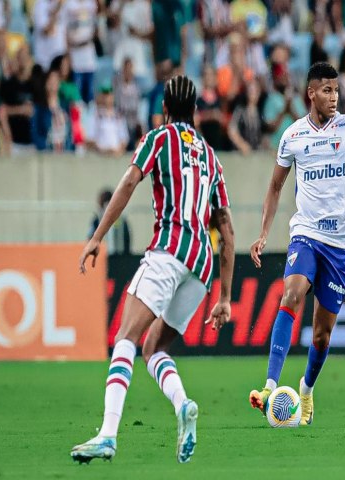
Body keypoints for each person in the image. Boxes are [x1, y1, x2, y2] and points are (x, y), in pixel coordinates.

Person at [71, 75, 235, 463]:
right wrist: (225, 297)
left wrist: (98, 236)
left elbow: (129, 182)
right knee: (152, 347)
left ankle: (108, 434)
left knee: (125, 338)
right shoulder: (212, 157)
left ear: (163, 108)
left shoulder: (158, 139)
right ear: (195, 111)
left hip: (168, 250)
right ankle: (183, 406)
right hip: (202, 265)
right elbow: (225, 228)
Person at [248, 62, 345, 426]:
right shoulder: (292, 136)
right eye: (326, 90)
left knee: (321, 335)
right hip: (305, 233)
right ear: (311, 93)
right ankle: (270, 386)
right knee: (291, 294)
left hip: (338, 244)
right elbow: (274, 188)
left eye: (336, 90)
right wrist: (263, 234)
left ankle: (305, 391)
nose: (333, 97)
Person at [88, 189, 131, 255]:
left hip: (108, 255)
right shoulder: (96, 221)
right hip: (118, 256)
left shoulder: (121, 220)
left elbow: (89, 239)